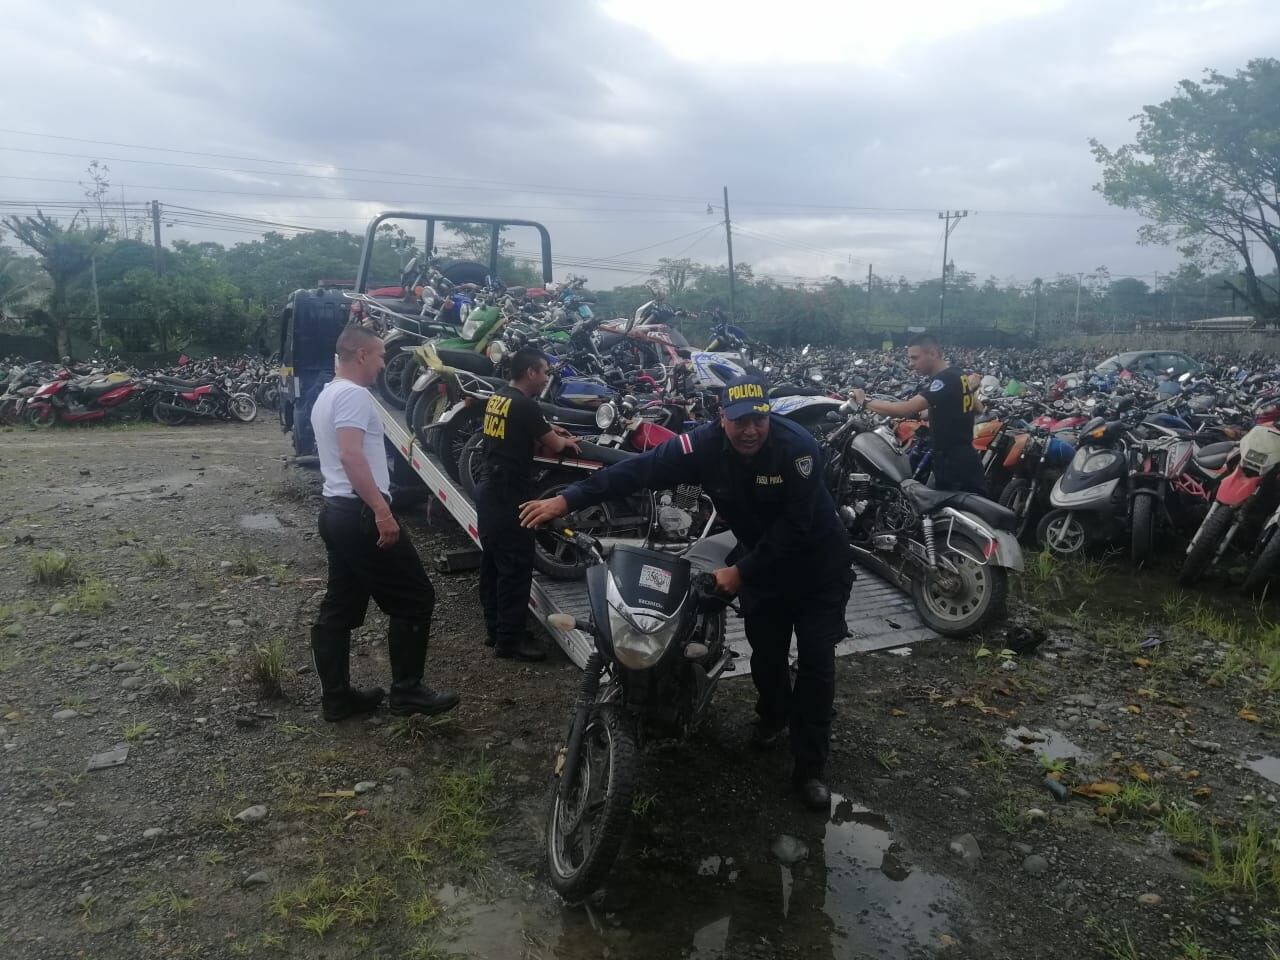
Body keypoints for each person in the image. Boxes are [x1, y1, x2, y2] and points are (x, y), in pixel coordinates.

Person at [519, 373, 854, 811]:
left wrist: (739, 572)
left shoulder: (798, 450)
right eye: (740, 421)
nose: (750, 430)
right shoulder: (701, 445)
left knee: (816, 662)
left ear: (769, 415)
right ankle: (773, 718)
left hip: (817, 566)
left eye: (759, 419)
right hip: (761, 566)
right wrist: (569, 500)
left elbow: (798, 527)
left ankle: (810, 767)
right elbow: (640, 469)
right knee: (767, 653)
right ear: (721, 418)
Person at [308, 325, 459, 721]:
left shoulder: (327, 394)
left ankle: (337, 699)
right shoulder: (354, 396)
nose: (382, 365)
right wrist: (382, 510)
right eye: (379, 357)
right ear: (360, 356)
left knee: (339, 608)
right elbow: (352, 457)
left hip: (337, 512)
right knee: (416, 598)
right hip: (360, 515)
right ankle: (407, 692)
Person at [475, 348, 580, 661]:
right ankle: (511, 642)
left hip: (488, 488)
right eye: (545, 371)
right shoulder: (525, 405)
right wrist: (567, 441)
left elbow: (523, 430)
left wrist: (547, 429)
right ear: (531, 372)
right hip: (510, 494)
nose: (547, 377)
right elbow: (557, 444)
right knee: (516, 568)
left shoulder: (501, 396)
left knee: (492, 564)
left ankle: (495, 631)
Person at [851, 332, 988, 495]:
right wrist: (923, 414)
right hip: (963, 457)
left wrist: (865, 402)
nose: (910, 364)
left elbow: (906, 408)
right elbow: (976, 408)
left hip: (952, 462)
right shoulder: (958, 374)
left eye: (915, 358)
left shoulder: (944, 380)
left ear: (933, 353)